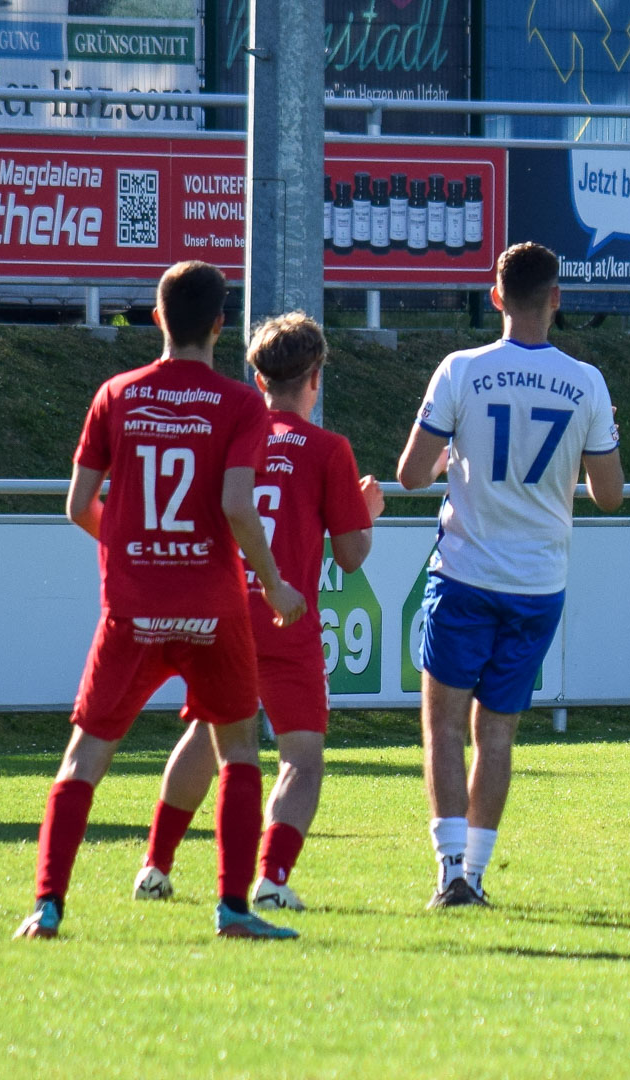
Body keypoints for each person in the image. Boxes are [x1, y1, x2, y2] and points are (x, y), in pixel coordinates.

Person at [15, 261, 307, 940]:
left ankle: (48, 906)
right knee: (238, 750)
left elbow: (78, 505)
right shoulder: (239, 404)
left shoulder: (116, 395)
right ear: (220, 325)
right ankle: (233, 909)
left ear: (157, 319)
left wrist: (130, 543)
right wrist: (272, 581)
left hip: (134, 606)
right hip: (213, 606)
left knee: (84, 757)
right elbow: (237, 504)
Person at [131, 312, 384, 913]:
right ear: (315, 377)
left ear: (259, 377)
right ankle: (271, 879)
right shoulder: (327, 449)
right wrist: (366, 512)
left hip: (225, 612)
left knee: (205, 736)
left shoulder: (227, 435)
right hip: (286, 618)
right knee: (301, 758)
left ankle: (155, 867)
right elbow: (351, 557)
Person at [396, 241, 624, 907]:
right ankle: (476, 875)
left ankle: (449, 873)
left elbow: (411, 474)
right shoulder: (587, 382)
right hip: (537, 583)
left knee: (443, 726)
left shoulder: (461, 369)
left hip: (466, 573)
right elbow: (609, 495)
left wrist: (448, 457)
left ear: (495, 297)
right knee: (496, 733)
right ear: (556, 299)